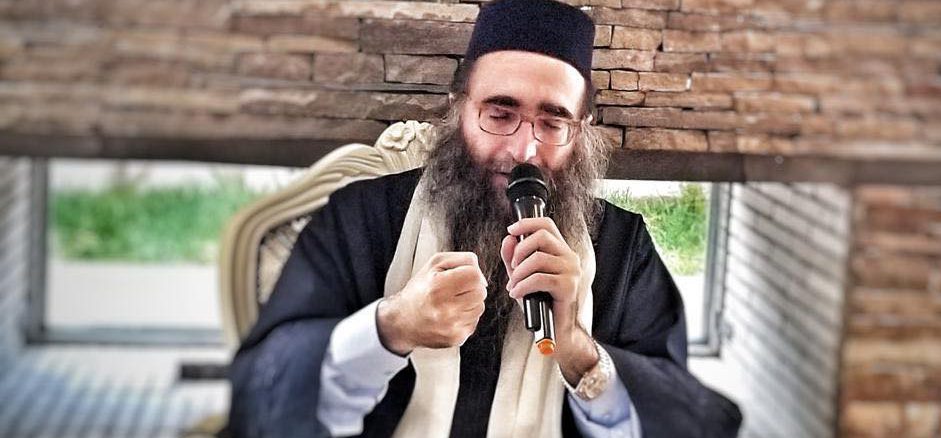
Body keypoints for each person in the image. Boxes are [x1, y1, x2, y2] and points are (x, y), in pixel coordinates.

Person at [226, 0, 742, 436]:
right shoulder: (360, 219)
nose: (524, 150)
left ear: (580, 131)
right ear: (459, 110)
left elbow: (688, 418)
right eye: (500, 114)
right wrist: (392, 327)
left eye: (552, 122)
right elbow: (264, 392)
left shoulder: (623, 248)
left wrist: (575, 347)